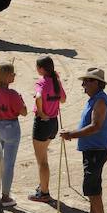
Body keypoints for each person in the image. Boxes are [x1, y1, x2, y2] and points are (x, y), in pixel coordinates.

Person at [61, 67, 107, 213]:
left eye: (87, 81)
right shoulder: (94, 99)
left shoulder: (99, 102)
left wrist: (71, 135)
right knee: (93, 183)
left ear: (96, 83)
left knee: (92, 186)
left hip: (96, 150)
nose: (83, 84)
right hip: (93, 149)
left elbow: (95, 126)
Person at [0, 63, 25, 206]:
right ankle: (5, 196)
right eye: (12, 73)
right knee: (8, 164)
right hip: (11, 127)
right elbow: (24, 112)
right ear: (6, 76)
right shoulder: (13, 94)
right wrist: (20, 100)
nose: (14, 75)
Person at [29, 55, 65, 204]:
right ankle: (42, 186)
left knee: (42, 161)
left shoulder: (41, 82)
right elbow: (63, 99)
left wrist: (42, 113)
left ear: (42, 69)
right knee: (44, 158)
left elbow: (38, 97)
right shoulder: (56, 82)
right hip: (53, 123)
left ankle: (44, 193)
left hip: (43, 123)